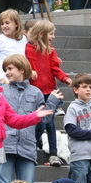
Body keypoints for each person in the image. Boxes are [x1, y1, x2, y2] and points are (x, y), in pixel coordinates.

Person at [0, 55, 61, 183]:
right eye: (5, 70)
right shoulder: (1, 91)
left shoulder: (36, 92)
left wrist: (51, 102)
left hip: (27, 147)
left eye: (10, 69)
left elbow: (43, 121)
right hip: (5, 146)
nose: (7, 72)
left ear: (22, 69)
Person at [26, 20, 72, 167]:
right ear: (41, 34)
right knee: (40, 124)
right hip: (36, 92)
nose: (53, 36)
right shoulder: (27, 49)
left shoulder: (51, 50)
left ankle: (53, 154)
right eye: (51, 33)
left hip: (50, 91)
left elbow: (55, 69)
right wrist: (29, 73)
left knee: (50, 124)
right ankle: (31, 149)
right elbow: (25, 67)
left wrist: (65, 78)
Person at [0, 9, 26, 84]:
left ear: (16, 24)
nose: (4, 26)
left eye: (7, 23)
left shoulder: (23, 39)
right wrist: (0, 78)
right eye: (2, 24)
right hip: (4, 80)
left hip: (21, 79)